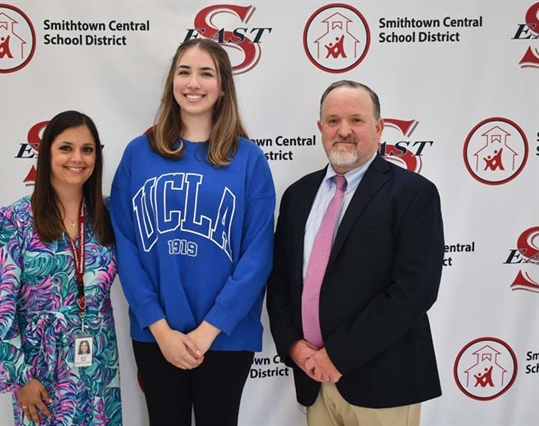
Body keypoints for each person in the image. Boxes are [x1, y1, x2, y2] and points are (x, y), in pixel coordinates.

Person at [109, 38, 275, 426]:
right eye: (184, 72)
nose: (193, 83)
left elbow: (257, 254)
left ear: (222, 87)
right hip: (157, 334)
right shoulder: (139, 153)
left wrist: (209, 330)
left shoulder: (248, 159)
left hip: (225, 335)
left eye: (206, 73)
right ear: (171, 82)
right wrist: (159, 327)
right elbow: (126, 245)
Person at [266, 80, 444, 426]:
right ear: (320, 129)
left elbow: (414, 291)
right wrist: (293, 346)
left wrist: (338, 356)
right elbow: (281, 281)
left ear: (379, 128)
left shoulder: (413, 194)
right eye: (333, 121)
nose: (343, 131)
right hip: (313, 379)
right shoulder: (297, 196)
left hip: (383, 382)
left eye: (356, 120)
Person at [0, 110, 122, 426]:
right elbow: (0, 309)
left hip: (98, 361)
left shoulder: (111, 213)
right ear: (46, 153)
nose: (78, 158)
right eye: (66, 148)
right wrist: (20, 377)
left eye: (87, 149)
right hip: (40, 368)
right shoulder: (14, 220)